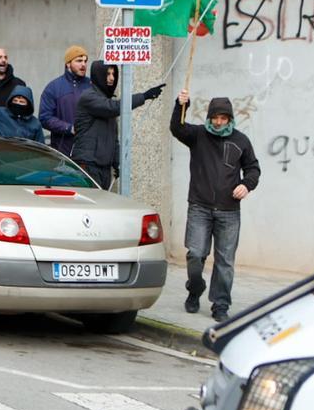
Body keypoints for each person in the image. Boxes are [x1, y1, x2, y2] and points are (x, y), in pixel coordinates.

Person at [171, 91, 261, 322]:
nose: (219, 122)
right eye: (215, 118)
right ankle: (195, 288)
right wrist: (181, 104)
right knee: (195, 254)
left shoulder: (241, 140)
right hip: (200, 207)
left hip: (229, 211)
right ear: (209, 117)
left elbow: (253, 168)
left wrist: (246, 184)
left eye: (224, 118)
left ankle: (220, 304)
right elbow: (177, 128)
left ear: (230, 119)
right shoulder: (198, 135)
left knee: (225, 261)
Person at [71, 61, 163, 190]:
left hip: (103, 166)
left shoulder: (105, 99)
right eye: (108, 74)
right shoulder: (89, 97)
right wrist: (144, 96)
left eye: (114, 74)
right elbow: (114, 107)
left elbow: (113, 139)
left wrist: (118, 164)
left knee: (102, 207)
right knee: (92, 207)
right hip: (88, 164)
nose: (112, 78)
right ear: (98, 75)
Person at [40, 45, 91, 156]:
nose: (83, 64)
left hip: (90, 151)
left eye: (85, 61)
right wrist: (69, 128)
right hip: (63, 151)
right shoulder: (53, 87)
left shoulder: (92, 85)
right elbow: (45, 117)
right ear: (68, 63)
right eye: (79, 61)